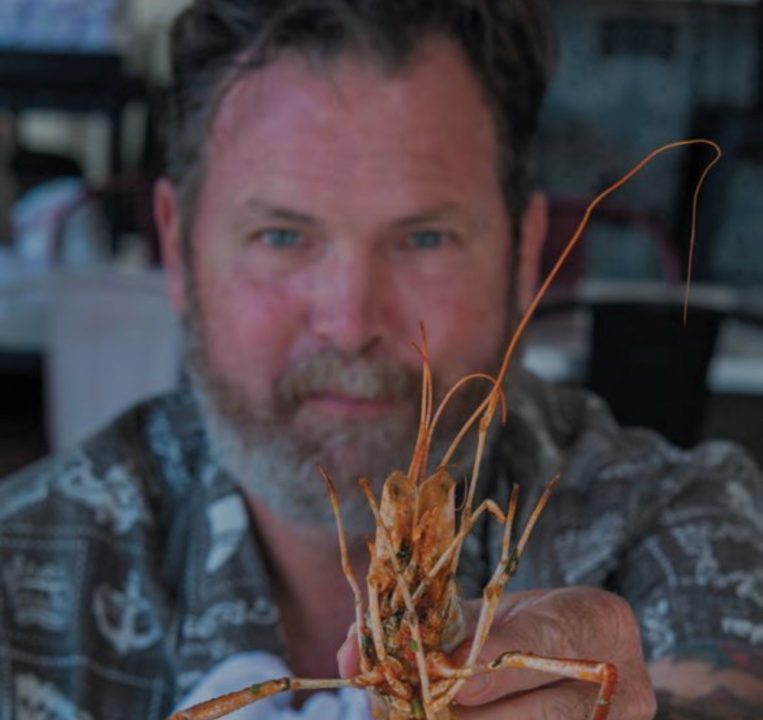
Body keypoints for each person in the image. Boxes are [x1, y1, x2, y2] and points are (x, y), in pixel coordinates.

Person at [1, 1, 761, 718]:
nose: (350, 323)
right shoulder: (23, 561)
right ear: (175, 246)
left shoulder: (674, 514)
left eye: (425, 238)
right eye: (281, 235)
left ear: (526, 251)